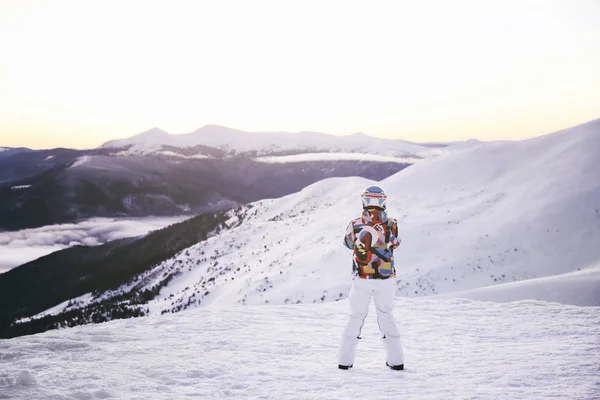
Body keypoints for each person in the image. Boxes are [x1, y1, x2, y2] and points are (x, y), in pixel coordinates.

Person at [338, 185, 405, 371]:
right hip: (386, 279)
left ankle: (344, 362)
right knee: (386, 316)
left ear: (364, 201)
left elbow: (348, 243)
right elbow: (396, 244)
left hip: (362, 278)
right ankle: (396, 361)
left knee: (355, 318)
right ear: (383, 201)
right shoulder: (392, 224)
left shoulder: (355, 224)